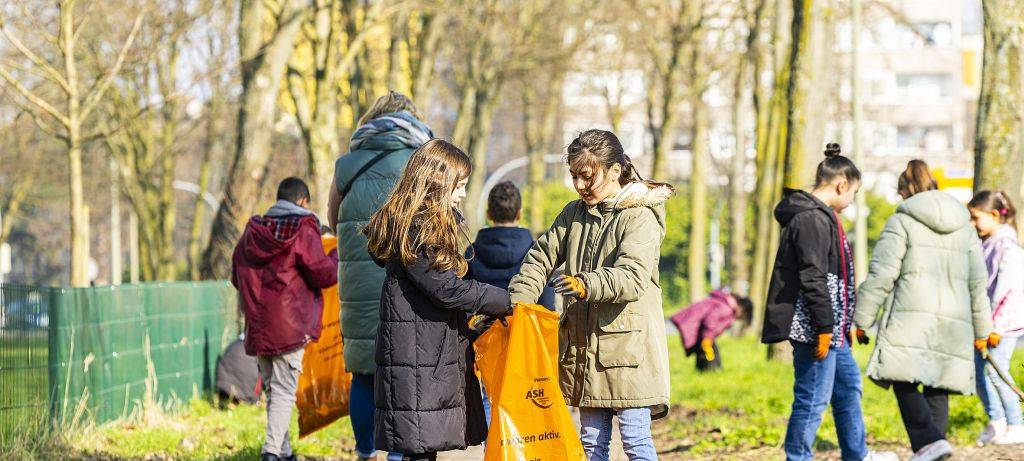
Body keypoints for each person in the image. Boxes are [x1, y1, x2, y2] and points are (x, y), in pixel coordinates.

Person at [507, 129, 673, 461]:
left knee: (635, 440)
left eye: (587, 176)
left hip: (629, 353)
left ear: (614, 171)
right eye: (574, 176)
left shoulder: (639, 216)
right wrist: (518, 306)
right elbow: (540, 258)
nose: (581, 184)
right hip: (585, 352)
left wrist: (586, 284)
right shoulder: (573, 214)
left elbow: (633, 276)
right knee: (591, 441)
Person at [363, 139, 513, 461]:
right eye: (458, 186)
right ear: (436, 183)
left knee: (423, 447)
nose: (461, 194)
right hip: (417, 360)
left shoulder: (419, 226)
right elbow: (447, 290)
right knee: (419, 448)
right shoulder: (417, 229)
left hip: (422, 354)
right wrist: (502, 299)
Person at [761, 143, 895, 461]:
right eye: (855, 192)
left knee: (848, 389)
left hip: (833, 329)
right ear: (842, 184)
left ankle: (857, 454)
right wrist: (824, 327)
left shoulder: (824, 217)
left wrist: (842, 323)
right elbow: (814, 278)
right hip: (815, 330)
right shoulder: (810, 220)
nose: (853, 200)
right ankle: (798, 457)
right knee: (811, 401)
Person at [855, 159, 993, 461]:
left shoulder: (902, 221)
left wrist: (862, 319)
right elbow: (976, 283)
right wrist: (984, 331)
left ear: (905, 190)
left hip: (910, 314)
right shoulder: (964, 227)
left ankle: (929, 441)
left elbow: (882, 275)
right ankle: (934, 446)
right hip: (953, 320)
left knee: (900, 377)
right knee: (937, 384)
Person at [326, 91, 432, 461]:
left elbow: (331, 219)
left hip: (357, 282)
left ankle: (365, 451)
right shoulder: (421, 159)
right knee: (404, 371)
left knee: (364, 372)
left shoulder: (347, 164)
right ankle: (398, 452)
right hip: (404, 280)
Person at [231, 177, 339, 461]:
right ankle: (270, 453)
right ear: (303, 201)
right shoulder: (303, 230)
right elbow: (323, 273)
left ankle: (284, 452)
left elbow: (235, 276)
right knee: (283, 392)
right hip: (290, 326)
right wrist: (338, 257)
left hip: (257, 325)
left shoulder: (253, 232)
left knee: (273, 390)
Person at [967, 190, 1024, 445]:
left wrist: (996, 328)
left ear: (992, 215)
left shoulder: (1006, 245)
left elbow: (1008, 291)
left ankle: (1016, 423)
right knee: (981, 373)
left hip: (1003, 324)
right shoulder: (987, 244)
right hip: (987, 322)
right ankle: (996, 421)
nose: (972, 223)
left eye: (975, 217)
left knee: (997, 373)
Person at [669, 290, 751, 372]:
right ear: (742, 308)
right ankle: (709, 371)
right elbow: (710, 320)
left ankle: (704, 372)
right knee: (709, 351)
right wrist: (707, 338)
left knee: (705, 350)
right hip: (695, 325)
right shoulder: (726, 308)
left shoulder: (725, 304)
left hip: (697, 326)